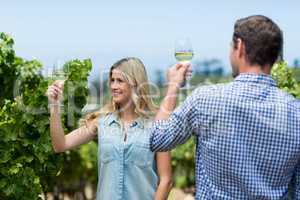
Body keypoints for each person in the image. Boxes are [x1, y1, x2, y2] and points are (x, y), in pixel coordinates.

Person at [150, 15, 300, 199]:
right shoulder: (296, 113)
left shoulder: (205, 100)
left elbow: (158, 138)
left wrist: (173, 86)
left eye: (231, 47)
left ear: (240, 46)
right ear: (275, 56)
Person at [46, 57, 172, 200]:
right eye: (112, 80)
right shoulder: (101, 123)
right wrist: (54, 106)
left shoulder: (156, 125)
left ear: (135, 83)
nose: (113, 86)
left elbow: (166, 181)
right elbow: (60, 145)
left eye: (120, 81)